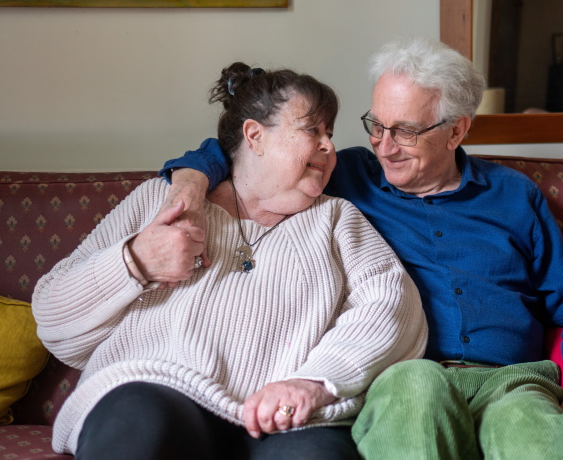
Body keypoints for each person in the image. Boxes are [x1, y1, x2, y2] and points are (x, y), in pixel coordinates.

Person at [160, 38, 563, 459]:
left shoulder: (514, 194)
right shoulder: (344, 177)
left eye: (405, 131)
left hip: (509, 380)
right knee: (415, 390)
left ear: (456, 131)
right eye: (376, 125)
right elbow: (242, 151)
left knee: (539, 436)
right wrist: (191, 181)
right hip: (402, 373)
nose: (384, 147)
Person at [32, 62, 427, 460]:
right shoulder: (163, 201)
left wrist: (315, 382)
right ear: (255, 136)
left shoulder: (337, 219)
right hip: (159, 388)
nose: (328, 146)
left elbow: (393, 307)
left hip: (287, 417)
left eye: (330, 134)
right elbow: (52, 320)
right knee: (137, 422)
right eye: (312, 130)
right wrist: (135, 261)